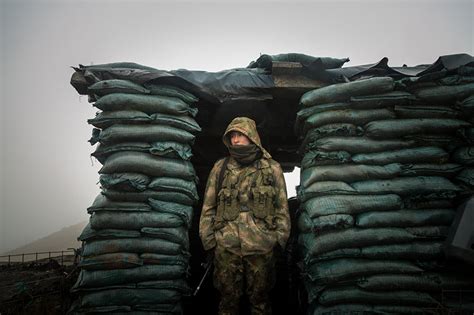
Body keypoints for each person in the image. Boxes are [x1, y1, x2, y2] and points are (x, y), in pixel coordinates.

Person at [199, 117, 291, 315]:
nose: (235, 140)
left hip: (261, 247)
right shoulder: (220, 168)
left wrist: (278, 240)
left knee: (260, 303)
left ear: (252, 137)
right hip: (227, 247)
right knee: (227, 303)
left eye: (240, 135)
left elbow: (282, 208)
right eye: (232, 136)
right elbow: (208, 207)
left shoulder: (271, 168)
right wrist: (211, 242)